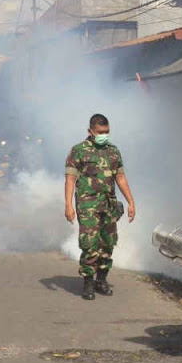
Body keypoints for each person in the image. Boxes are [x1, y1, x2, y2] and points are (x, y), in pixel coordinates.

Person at [64, 114, 136, 300]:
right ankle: (88, 282)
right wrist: (68, 205)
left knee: (108, 242)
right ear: (90, 131)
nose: (104, 135)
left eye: (107, 132)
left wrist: (130, 201)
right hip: (88, 206)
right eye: (100, 132)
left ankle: (101, 280)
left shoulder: (113, 151)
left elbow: (120, 177)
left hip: (109, 205)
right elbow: (70, 178)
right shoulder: (79, 151)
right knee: (90, 244)